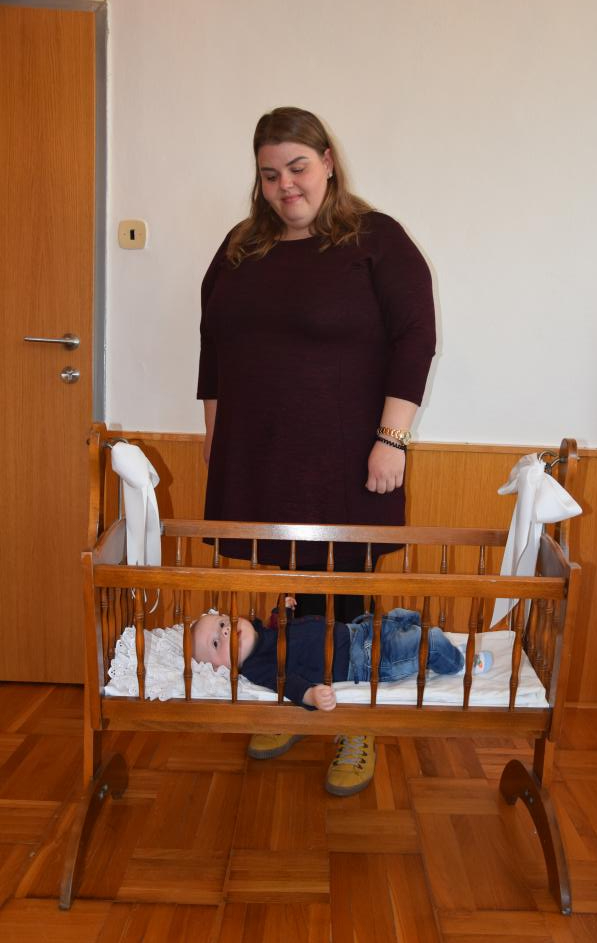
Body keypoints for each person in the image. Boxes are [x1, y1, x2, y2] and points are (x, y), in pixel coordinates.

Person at [197, 107, 436, 794]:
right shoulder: (240, 246)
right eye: (269, 174)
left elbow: (415, 337)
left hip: (346, 455)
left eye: (297, 168)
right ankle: (299, 696)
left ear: (328, 161)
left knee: (344, 587)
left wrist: (392, 438)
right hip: (259, 452)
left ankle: (354, 721)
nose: (285, 186)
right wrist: (214, 436)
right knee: (287, 587)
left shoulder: (375, 240)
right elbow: (213, 347)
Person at [191, 607, 492, 795]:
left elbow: (288, 633)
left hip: (358, 630)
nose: (225, 631)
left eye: (222, 623)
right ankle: (461, 663)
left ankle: (414, 633)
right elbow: (286, 684)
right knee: (428, 642)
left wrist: (284, 612)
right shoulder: (257, 667)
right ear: (220, 668)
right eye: (216, 643)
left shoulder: (261, 632)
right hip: (364, 663)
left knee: (402, 621)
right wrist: (310, 695)